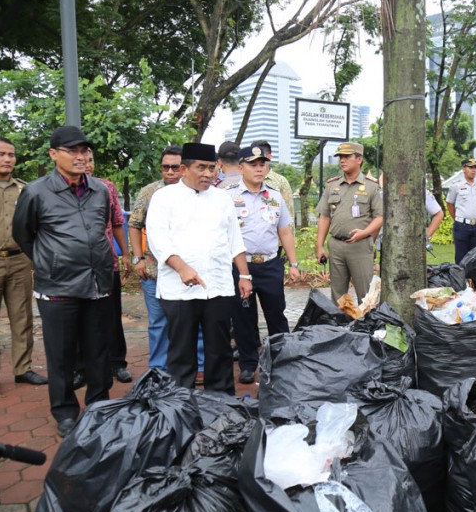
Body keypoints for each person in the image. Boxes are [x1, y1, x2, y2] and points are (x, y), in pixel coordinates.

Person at [12, 126, 114, 437]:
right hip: (57, 287)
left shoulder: (100, 190)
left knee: (98, 352)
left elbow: (100, 226)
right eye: (73, 151)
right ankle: (65, 412)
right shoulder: (36, 192)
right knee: (61, 355)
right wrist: (50, 261)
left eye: (85, 151)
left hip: (97, 283)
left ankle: (99, 406)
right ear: (54, 154)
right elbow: (23, 233)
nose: (81, 157)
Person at [145, 142, 252, 394]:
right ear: (184, 169)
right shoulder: (164, 198)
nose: (208, 174)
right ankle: (180, 403)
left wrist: (244, 275)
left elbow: (234, 240)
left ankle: (221, 403)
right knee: (181, 353)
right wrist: (181, 268)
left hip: (218, 286)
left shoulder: (222, 199)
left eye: (212, 168)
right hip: (179, 290)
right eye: (201, 168)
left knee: (220, 351)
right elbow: (157, 239)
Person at [225, 145, 300, 384]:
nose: (259, 169)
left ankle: (281, 361)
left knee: (276, 315)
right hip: (240, 268)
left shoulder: (275, 196)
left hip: (270, 265)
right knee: (243, 319)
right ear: (240, 168)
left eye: (262, 164)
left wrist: (294, 263)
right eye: (253, 165)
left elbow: (284, 231)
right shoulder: (228, 197)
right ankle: (248, 365)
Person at [128, 146, 205, 374]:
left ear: (184, 168)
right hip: (155, 271)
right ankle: (158, 371)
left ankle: (200, 366)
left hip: (191, 271)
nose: (170, 172)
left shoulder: (199, 192)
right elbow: (134, 225)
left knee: (196, 321)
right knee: (159, 322)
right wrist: (137, 258)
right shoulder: (150, 192)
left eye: (175, 167)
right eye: (165, 167)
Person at [0, 137, 44, 390]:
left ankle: (22, 369)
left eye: (11, 155)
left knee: (22, 317)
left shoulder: (24, 190)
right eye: (1, 154)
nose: (7, 159)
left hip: (19, 260)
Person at [315, 142, 383, 303]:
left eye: (347, 156)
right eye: (340, 157)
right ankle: (340, 320)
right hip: (336, 246)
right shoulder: (332, 185)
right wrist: (319, 246)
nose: (342, 160)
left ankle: (366, 320)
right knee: (338, 295)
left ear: (359, 159)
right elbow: (324, 217)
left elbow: (380, 216)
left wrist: (365, 233)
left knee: (365, 295)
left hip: (360, 246)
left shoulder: (371, 187)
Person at [85, 152, 132, 383]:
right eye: (82, 160)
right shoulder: (56, 191)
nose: (87, 165)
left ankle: (117, 363)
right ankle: (81, 368)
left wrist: (126, 254)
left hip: (106, 262)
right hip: (75, 267)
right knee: (79, 318)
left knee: (112, 315)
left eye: (90, 160)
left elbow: (117, 223)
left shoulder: (106, 187)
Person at [446, 157, 476, 263]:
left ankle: (475, 275)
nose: (473, 170)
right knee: (461, 258)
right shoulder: (456, 185)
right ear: (464, 169)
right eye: (470, 167)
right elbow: (449, 204)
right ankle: (460, 275)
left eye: (475, 167)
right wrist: (457, 219)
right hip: (462, 226)